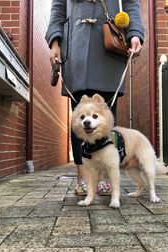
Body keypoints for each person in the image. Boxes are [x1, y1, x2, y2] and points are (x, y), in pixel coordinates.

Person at [45, 0, 144, 195]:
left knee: (106, 117)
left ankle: (104, 176)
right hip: (75, 46)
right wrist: (55, 43)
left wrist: (135, 33)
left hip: (108, 47)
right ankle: (83, 176)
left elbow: (132, 3)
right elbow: (58, 7)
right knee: (80, 117)